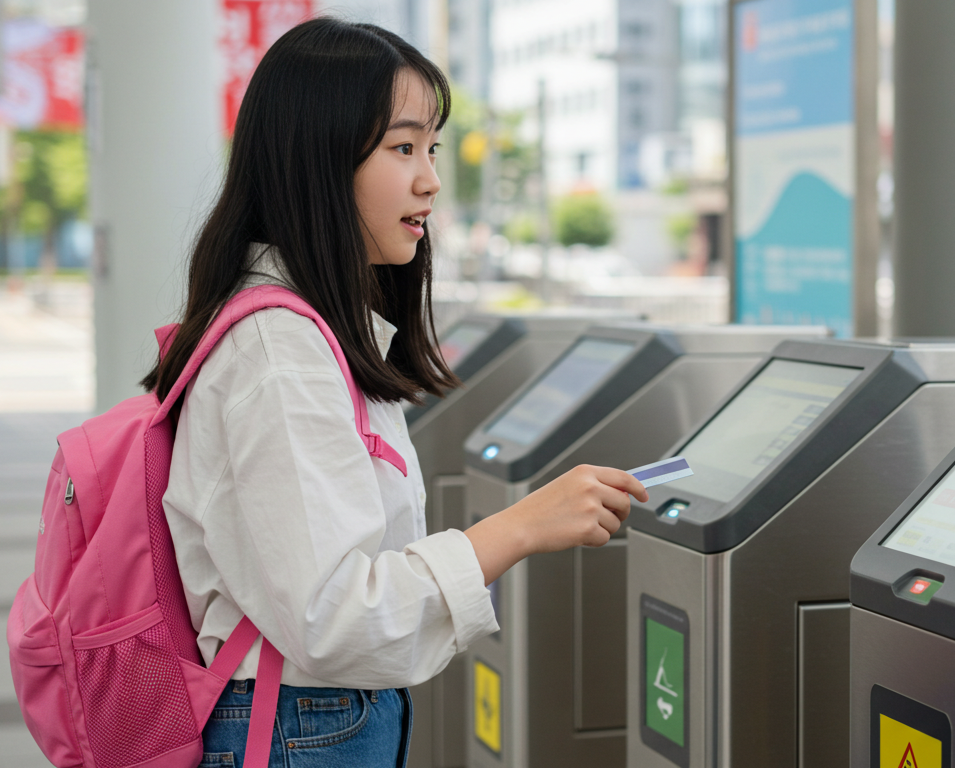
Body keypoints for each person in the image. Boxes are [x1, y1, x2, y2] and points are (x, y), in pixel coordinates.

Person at [142, 18, 649, 766]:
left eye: (432, 148)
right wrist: (518, 529)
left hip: (311, 717)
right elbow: (334, 616)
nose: (431, 179)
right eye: (402, 147)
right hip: (298, 729)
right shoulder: (279, 350)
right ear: (318, 162)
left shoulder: (305, 329)